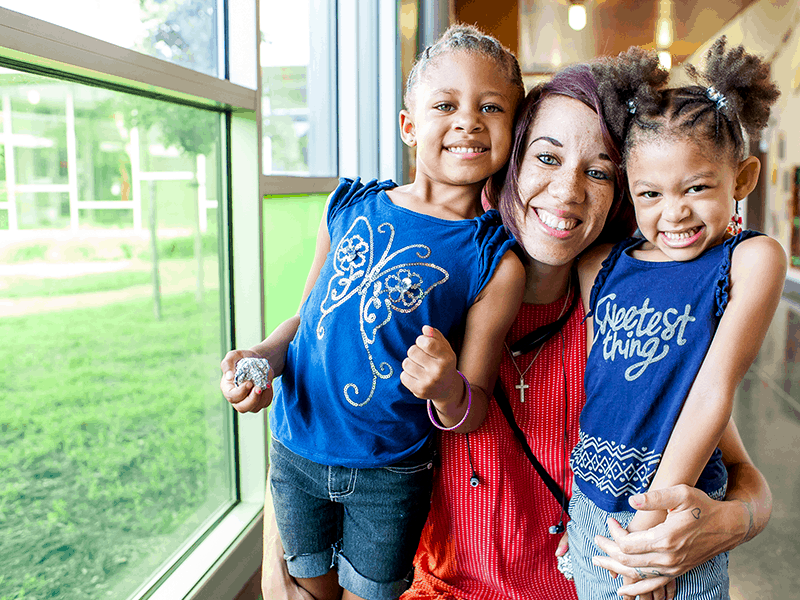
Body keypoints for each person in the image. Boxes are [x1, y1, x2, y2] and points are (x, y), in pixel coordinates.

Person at [249, 49, 774, 600]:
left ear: (624, 193)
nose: (568, 191)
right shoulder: (428, 286)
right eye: (547, 158)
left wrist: (728, 523)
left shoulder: (631, 321)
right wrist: (274, 552)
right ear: (508, 166)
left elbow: (744, 476)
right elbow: (316, 390)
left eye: (599, 172)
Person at [220, 24, 526, 600]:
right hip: (296, 451)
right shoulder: (349, 206)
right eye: (445, 105)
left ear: (513, 130)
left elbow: (475, 406)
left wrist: (447, 387)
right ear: (410, 126)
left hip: (391, 474)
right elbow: (306, 320)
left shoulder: (493, 262)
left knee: (371, 593)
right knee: (307, 584)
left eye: (491, 107)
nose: (468, 120)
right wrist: (263, 356)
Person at [567, 39, 786, 600]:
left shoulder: (748, 261)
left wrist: (654, 523)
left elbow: (712, 389)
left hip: (677, 509)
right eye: (650, 194)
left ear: (741, 179)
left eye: (697, 187)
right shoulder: (602, 265)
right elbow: (606, 390)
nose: (675, 211)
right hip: (590, 506)